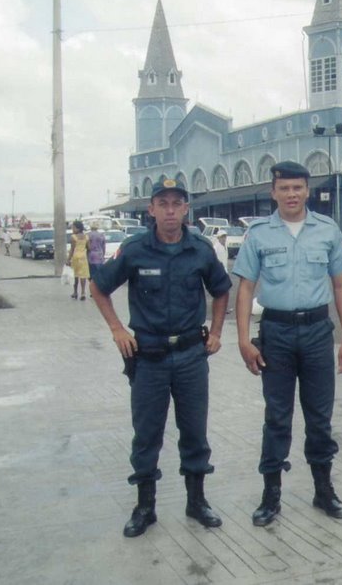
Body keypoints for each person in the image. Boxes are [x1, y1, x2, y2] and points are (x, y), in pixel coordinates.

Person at [90, 177, 231, 536]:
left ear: (186, 209)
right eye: (162, 203)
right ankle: (144, 507)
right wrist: (117, 330)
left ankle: (196, 501)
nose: (170, 211)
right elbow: (99, 287)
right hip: (149, 358)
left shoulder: (200, 249)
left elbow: (220, 290)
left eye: (176, 203)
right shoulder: (135, 249)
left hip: (190, 357)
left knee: (195, 431)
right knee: (147, 434)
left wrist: (215, 333)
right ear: (151, 209)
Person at [232, 161, 342, 528]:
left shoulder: (327, 231)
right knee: (277, 417)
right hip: (277, 334)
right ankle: (271, 496)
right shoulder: (258, 234)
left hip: (318, 332)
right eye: (284, 188)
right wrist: (242, 340)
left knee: (320, 417)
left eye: (297, 188)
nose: (291, 194)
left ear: (307, 191)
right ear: (273, 192)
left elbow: (341, 286)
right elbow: (245, 289)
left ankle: (323, 490)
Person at [68, 221, 90, 301]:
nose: (72, 229)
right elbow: (89, 248)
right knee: (83, 276)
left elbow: (72, 249)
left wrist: (68, 259)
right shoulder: (86, 237)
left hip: (75, 257)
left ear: (78, 228)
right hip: (83, 257)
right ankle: (83, 292)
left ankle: (75, 292)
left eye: (73, 228)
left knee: (75, 275)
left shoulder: (73, 237)